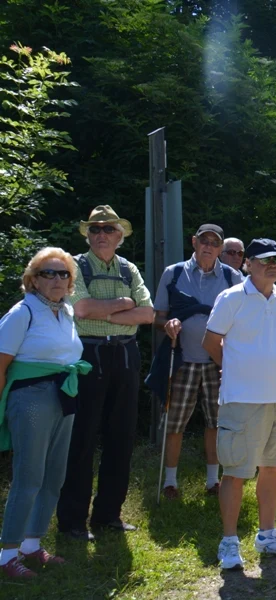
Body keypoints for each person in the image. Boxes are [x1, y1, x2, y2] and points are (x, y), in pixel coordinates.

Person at [202, 238, 276, 570]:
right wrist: (232, 368)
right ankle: (229, 542)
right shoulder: (231, 298)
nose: (272, 265)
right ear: (248, 263)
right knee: (235, 473)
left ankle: (268, 535)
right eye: (264, 260)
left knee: (271, 468)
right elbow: (210, 341)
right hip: (242, 399)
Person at [57, 206, 154, 541]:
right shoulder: (75, 265)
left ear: (120, 236)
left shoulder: (128, 268)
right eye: (95, 229)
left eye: (108, 229)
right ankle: (71, 521)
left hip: (125, 355)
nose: (101, 234)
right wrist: (124, 305)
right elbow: (81, 309)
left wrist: (106, 313)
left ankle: (108, 515)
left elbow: (149, 313)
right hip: (88, 354)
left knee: (121, 437)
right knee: (81, 438)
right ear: (87, 234)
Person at [0, 249, 91, 578]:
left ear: (70, 282)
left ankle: (31, 546)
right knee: (29, 477)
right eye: (48, 273)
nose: (56, 279)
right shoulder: (22, 312)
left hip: (64, 395)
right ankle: (7, 554)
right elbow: (1, 364)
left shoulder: (65, 312)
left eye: (63, 274)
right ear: (33, 280)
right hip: (31, 398)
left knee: (55, 477)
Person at [153, 224, 242, 499]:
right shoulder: (174, 273)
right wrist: (167, 323)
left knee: (215, 423)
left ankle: (213, 481)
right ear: (194, 242)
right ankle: (170, 482)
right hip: (182, 361)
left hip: (218, 363)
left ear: (220, 248)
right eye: (204, 241)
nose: (208, 247)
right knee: (175, 423)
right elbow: (157, 316)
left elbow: (242, 319)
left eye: (214, 243)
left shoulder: (232, 277)